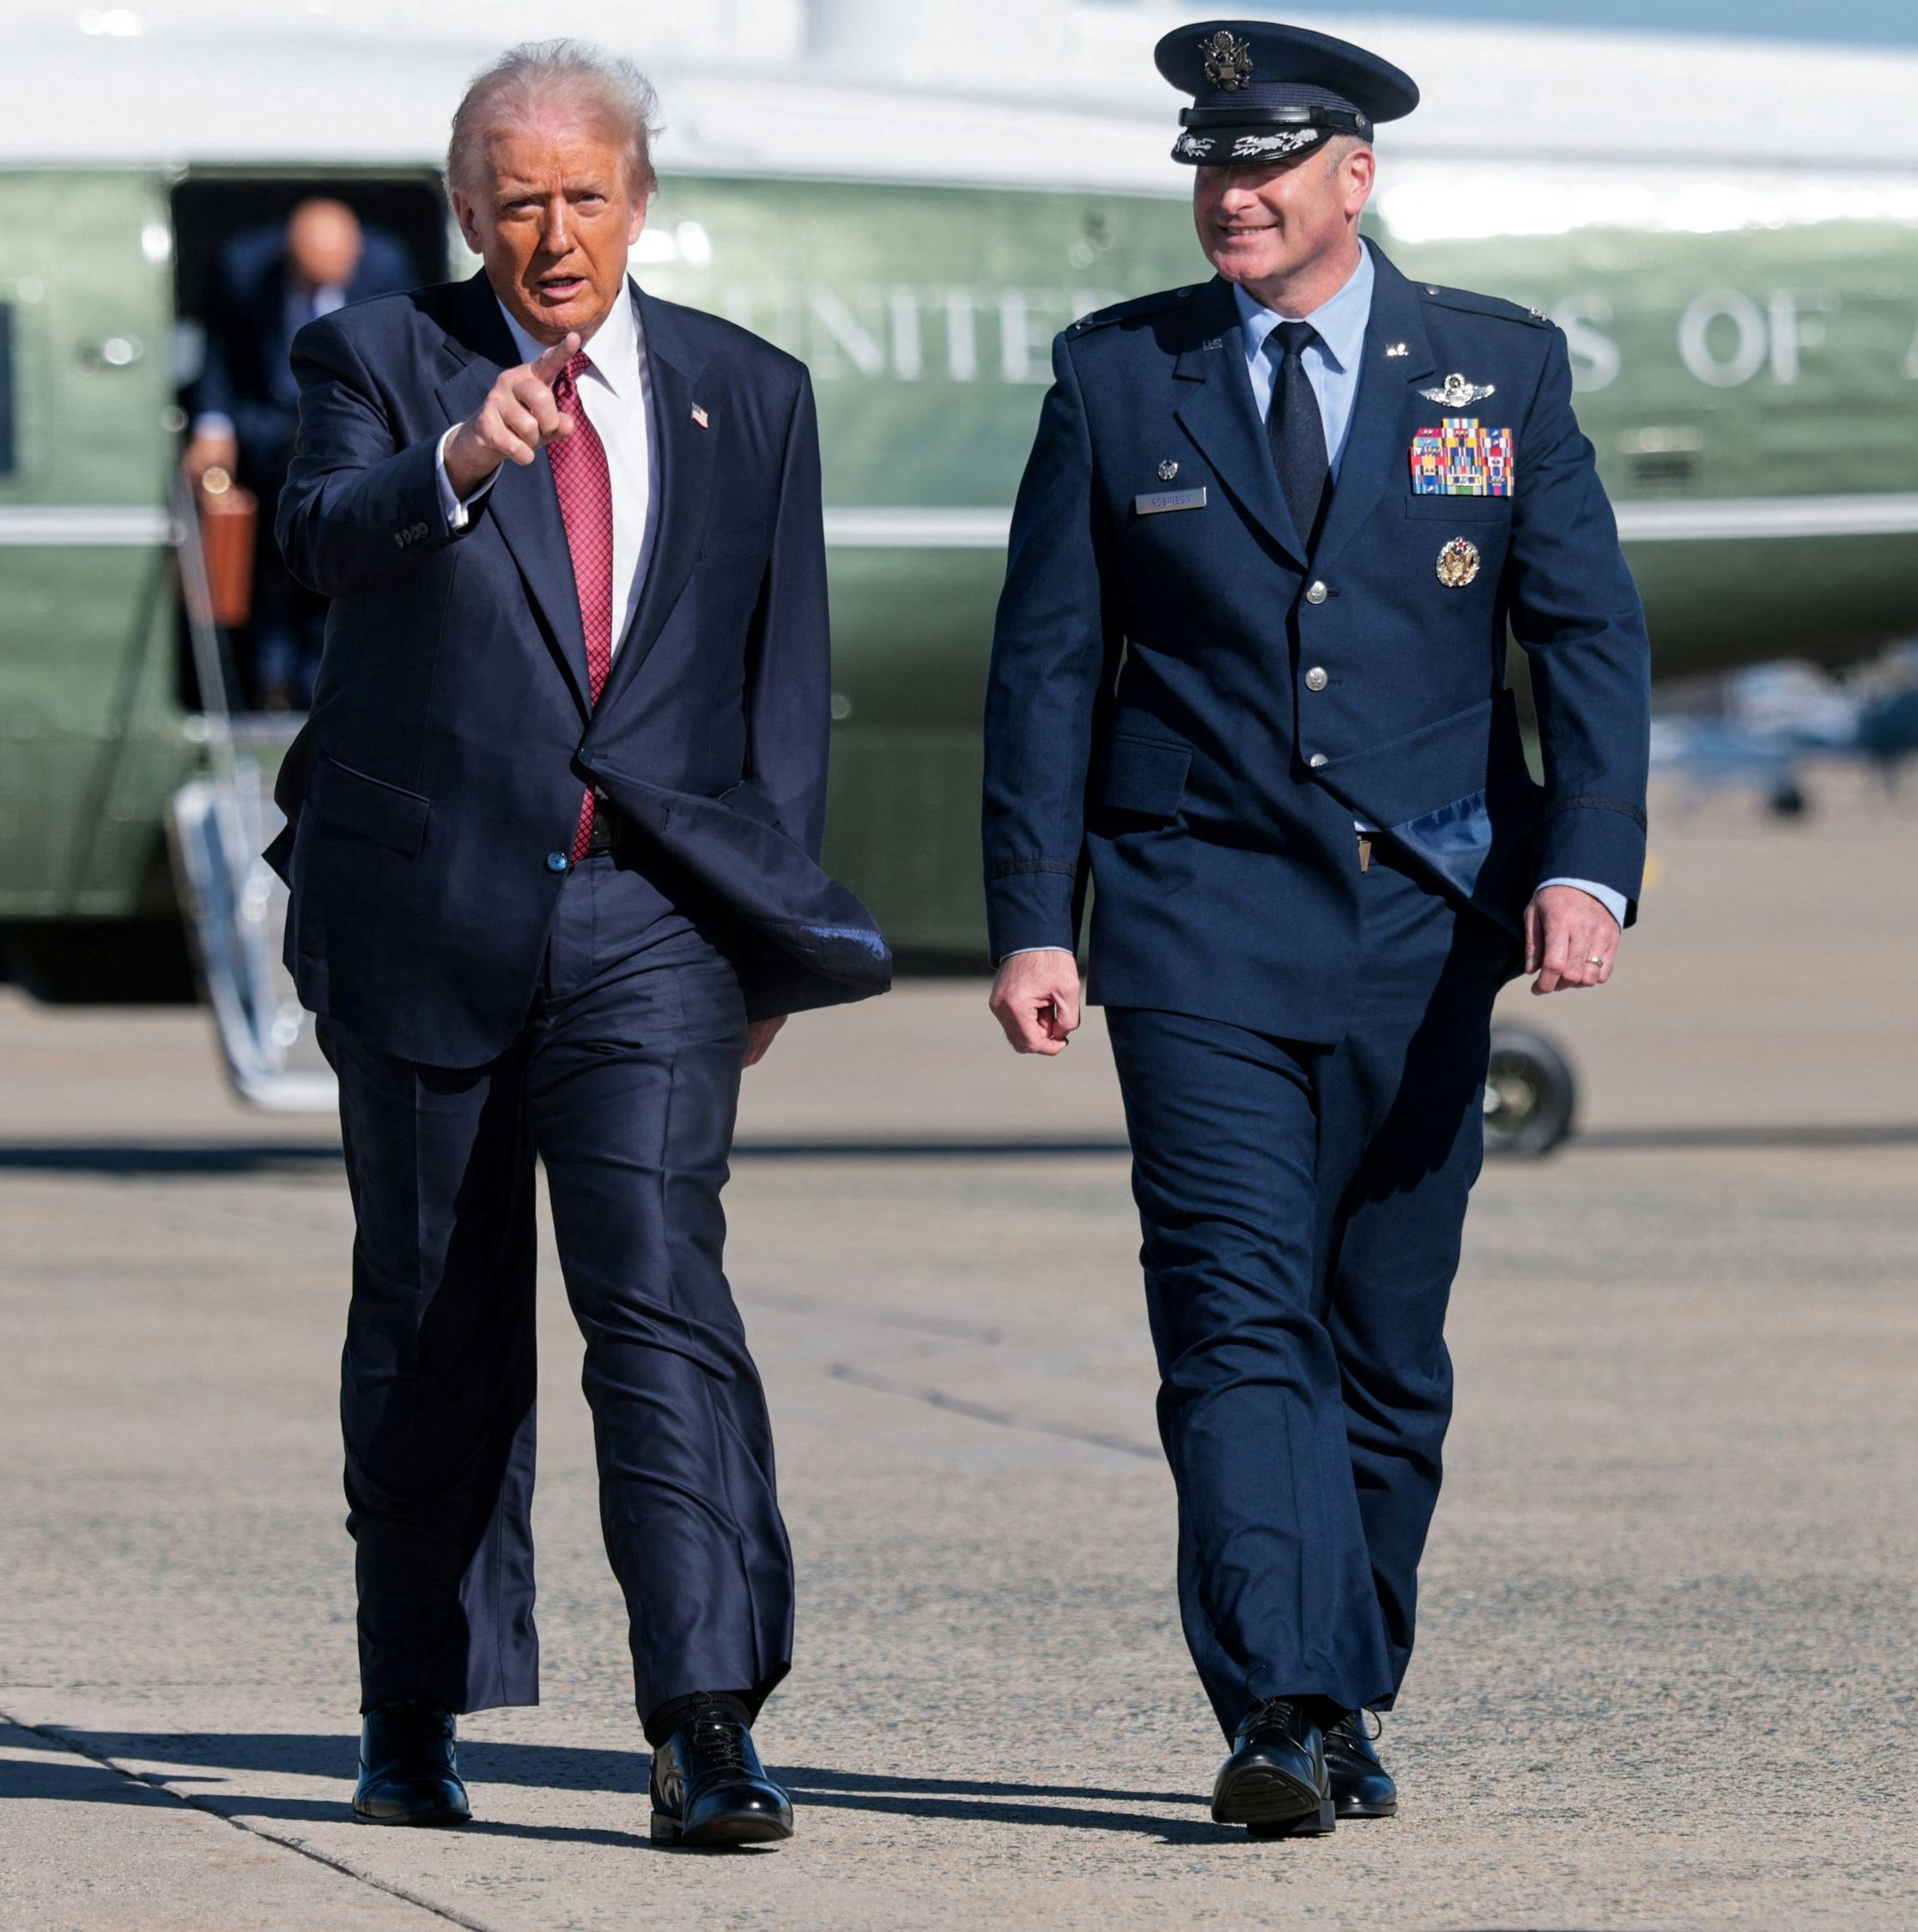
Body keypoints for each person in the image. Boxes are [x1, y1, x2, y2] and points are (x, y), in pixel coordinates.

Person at [980, 18, 1651, 1840]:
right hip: (1193, 912)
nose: (1233, 195)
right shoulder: (1119, 377)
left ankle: (1349, 1687)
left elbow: (1585, 632)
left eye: (1268, 165)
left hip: (1426, 915)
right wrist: (1034, 917)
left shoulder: (1496, 370)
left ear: (1355, 177)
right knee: (1232, 1314)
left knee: (1381, 1340)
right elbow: (1047, 664)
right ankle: (1278, 1699)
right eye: (1210, 165)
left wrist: (1584, 865)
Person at [271, 39, 889, 1849]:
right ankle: (415, 1709)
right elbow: (316, 540)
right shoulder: (377, 360)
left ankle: (704, 1721)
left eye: (586, 196)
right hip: (427, 910)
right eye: (519, 201)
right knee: (433, 1323)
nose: (555, 235)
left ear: (640, 199)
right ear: (468, 212)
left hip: (653, 923)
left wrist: (766, 937)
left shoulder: (747, 394)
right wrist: (460, 458)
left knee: (661, 1306)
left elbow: (780, 689)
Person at [185, 197, 417, 708]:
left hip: (355, 435)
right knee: (273, 559)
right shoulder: (244, 267)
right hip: (270, 429)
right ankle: (271, 685)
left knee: (340, 558)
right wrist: (213, 426)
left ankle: (325, 684)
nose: (320, 291)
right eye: (310, 280)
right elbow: (220, 355)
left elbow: (406, 357)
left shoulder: (387, 267)